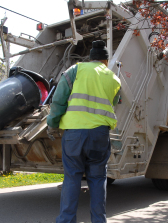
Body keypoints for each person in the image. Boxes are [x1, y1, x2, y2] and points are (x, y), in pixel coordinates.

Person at [47, 40, 121, 223]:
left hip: (74, 134)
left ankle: (66, 220)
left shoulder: (76, 70)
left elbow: (58, 100)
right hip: (99, 135)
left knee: (72, 177)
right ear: (105, 60)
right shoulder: (113, 78)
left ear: (90, 58)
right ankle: (99, 220)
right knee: (97, 178)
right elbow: (115, 101)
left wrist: (52, 123)